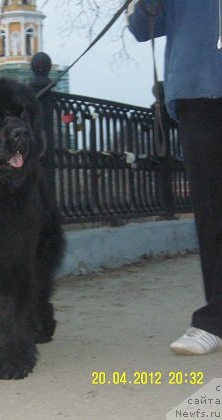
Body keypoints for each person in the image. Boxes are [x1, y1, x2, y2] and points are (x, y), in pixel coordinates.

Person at [128, 0, 222, 355]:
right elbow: (142, 26)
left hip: (195, 85)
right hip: (197, 91)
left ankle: (215, 319)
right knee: (210, 213)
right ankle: (217, 317)